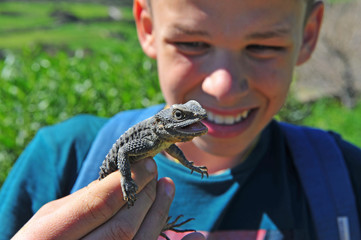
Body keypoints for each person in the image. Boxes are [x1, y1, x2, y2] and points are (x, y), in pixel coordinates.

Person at [1, 0, 360, 239]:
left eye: (264, 46)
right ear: (146, 26)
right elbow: (126, 156)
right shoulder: (59, 158)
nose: (222, 87)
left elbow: (171, 151)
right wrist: (125, 184)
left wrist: (188, 162)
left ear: (309, 33)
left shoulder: (347, 178)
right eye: (192, 42)